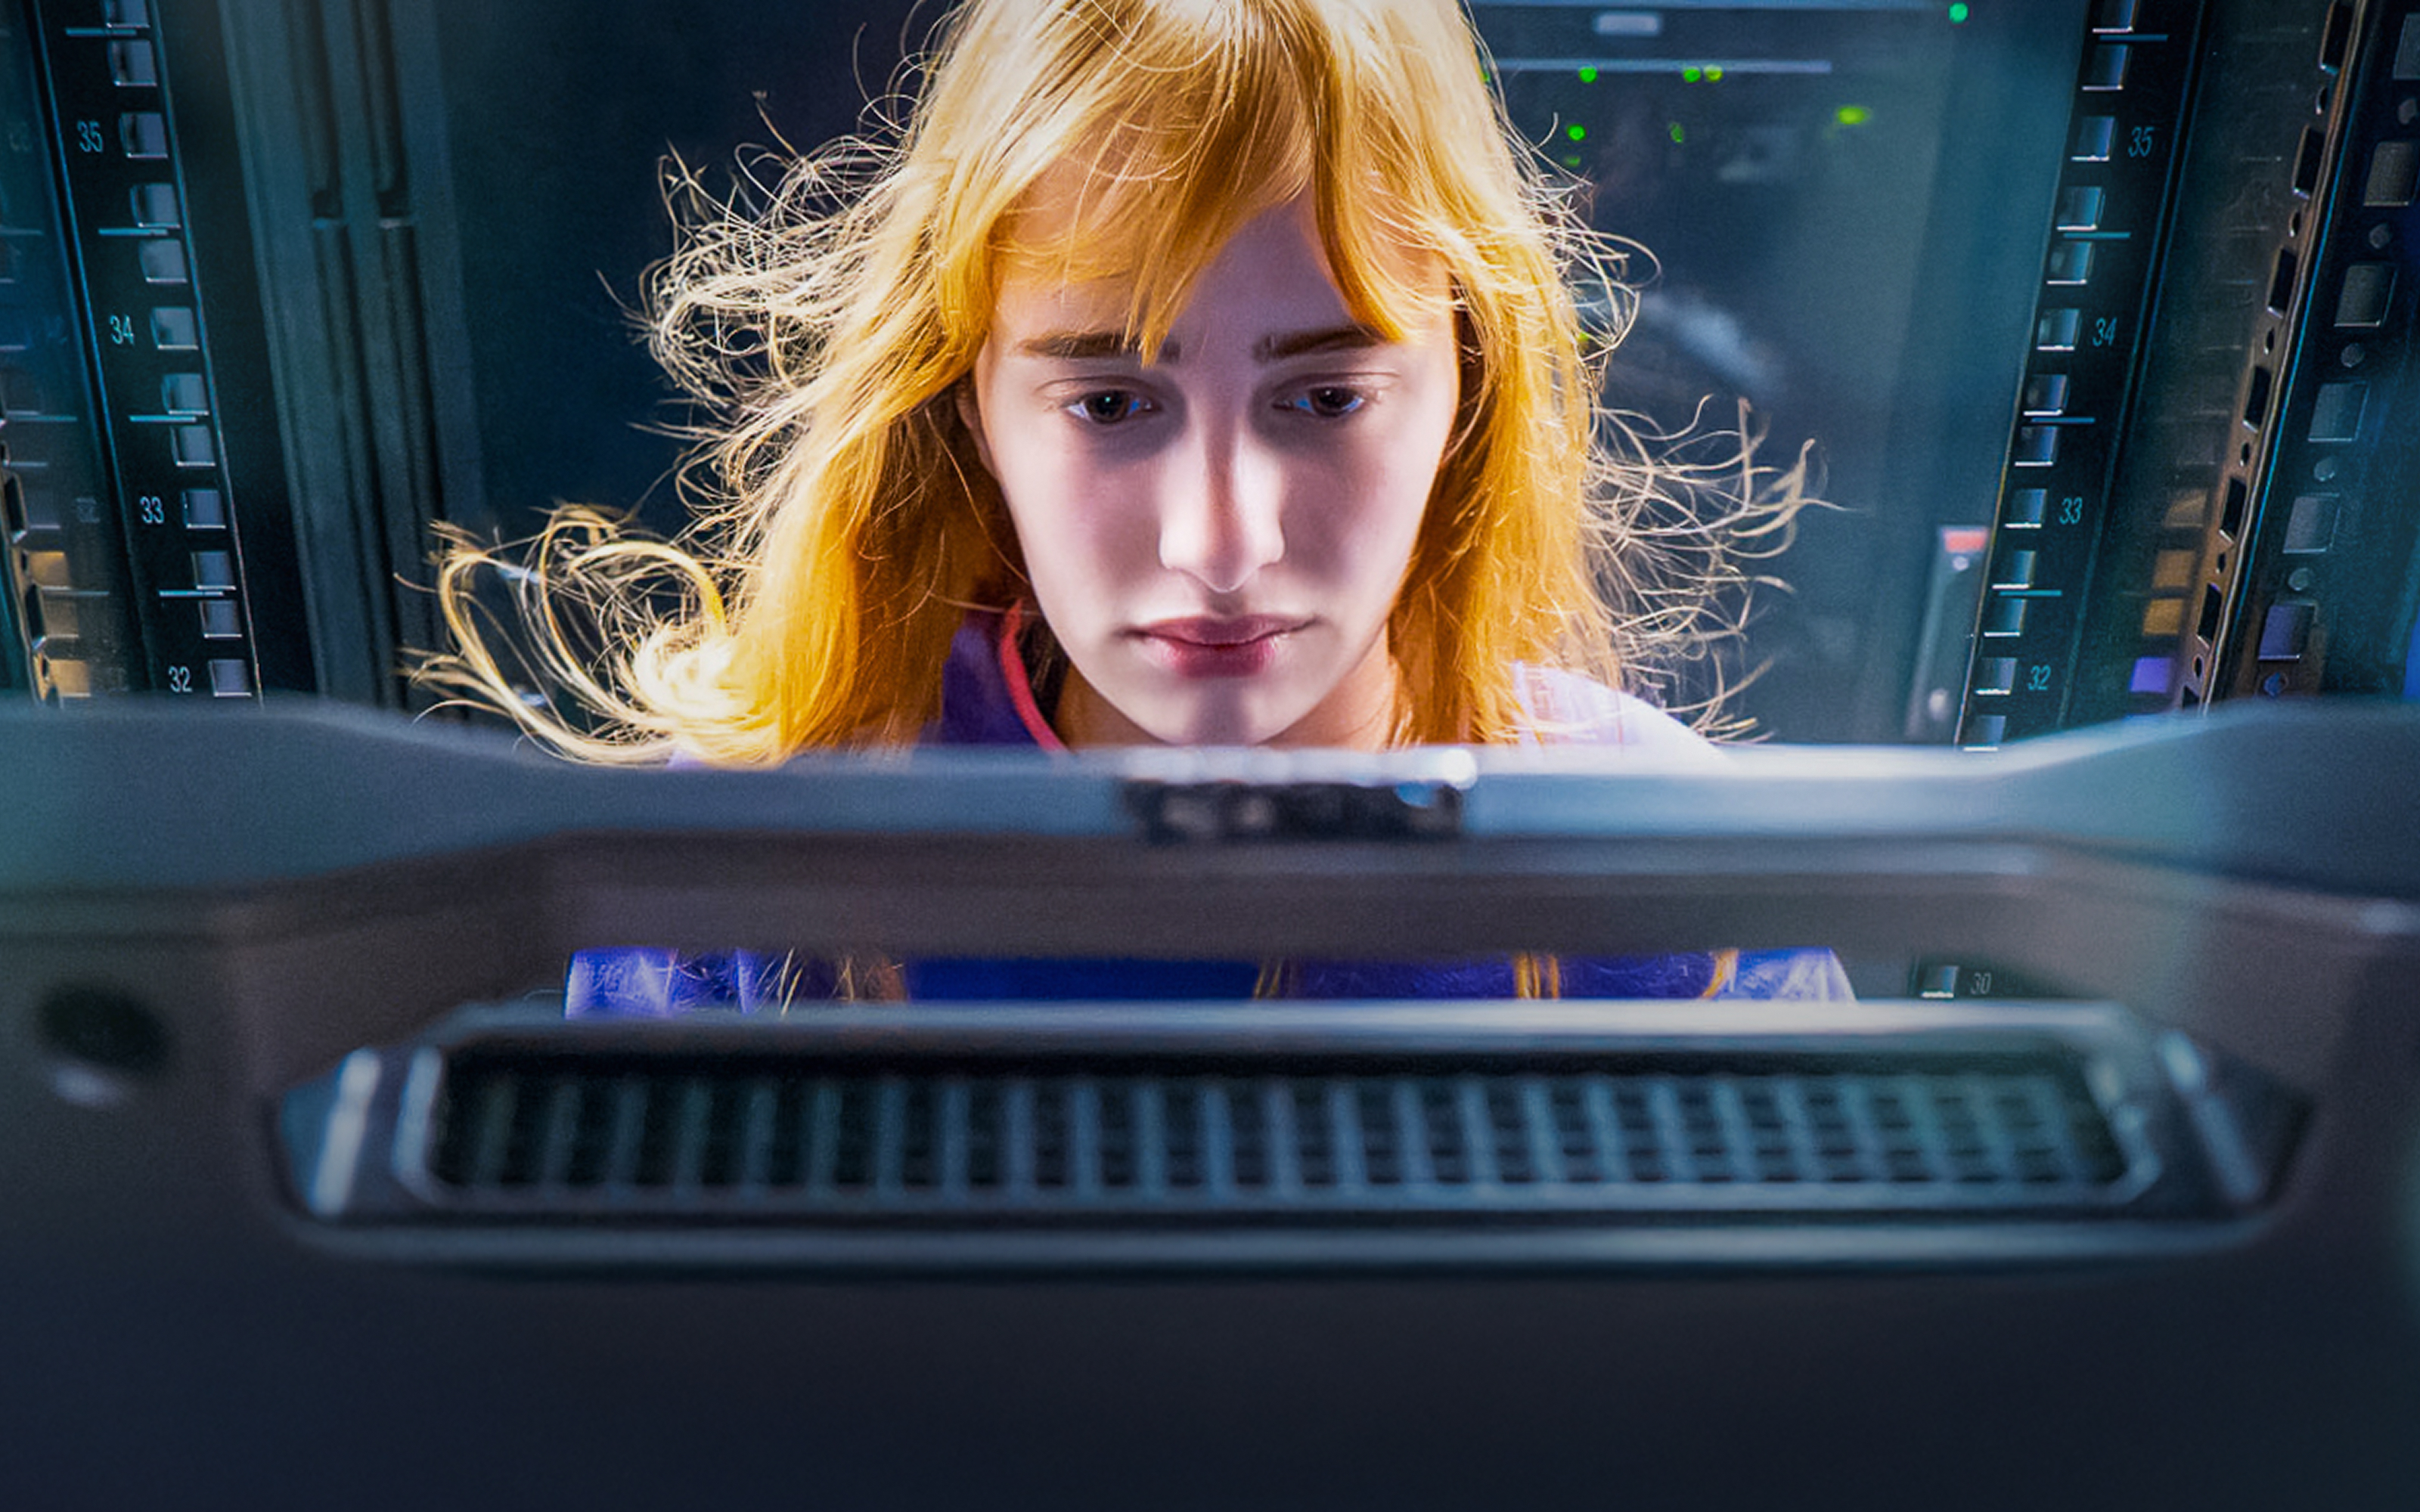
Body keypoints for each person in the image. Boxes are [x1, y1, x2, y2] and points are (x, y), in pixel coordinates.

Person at [425, 0, 1848, 1008]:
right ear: (967, 403)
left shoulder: (1683, 903)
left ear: (1465, 393)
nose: (1219, 544)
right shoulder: (745, 876)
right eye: (1111, 403)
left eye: (1325, 397)